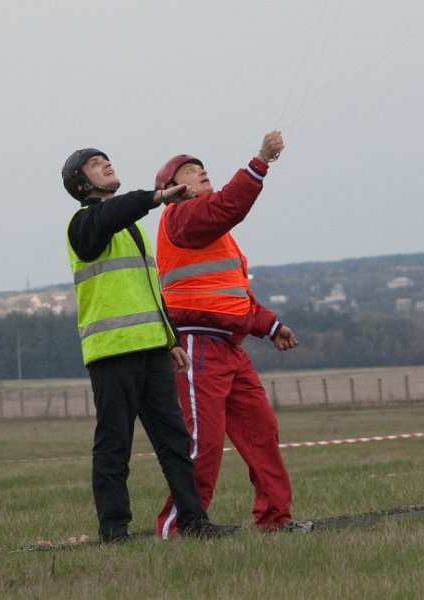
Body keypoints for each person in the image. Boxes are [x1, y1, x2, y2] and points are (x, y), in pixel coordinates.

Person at [62, 148, 235, 543]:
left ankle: (194, 521)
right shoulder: (84, 224)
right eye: (95, 164)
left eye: (106, 159)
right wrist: (155, 198)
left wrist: (169, 338)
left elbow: (147, 290)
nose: (107, 164)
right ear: (81, 184)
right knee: (114, 447)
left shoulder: (130, 228)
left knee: (175, 442)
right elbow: (112, 213)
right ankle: (114, 531)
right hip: (112, 353)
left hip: (152, 349)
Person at [153, 132, 312, 538]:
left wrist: (271, 325)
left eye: (202, 167)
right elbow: (229, 205)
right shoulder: (181, 216)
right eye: (189, 170)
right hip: (197, 348)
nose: (201, 171)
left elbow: (232, 298)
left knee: (262, 432)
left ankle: (275, 520)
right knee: (201, 443)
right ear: (172, 190)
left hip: (229, 347)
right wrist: (260, 161)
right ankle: (178, 527)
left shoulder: (213, 231)